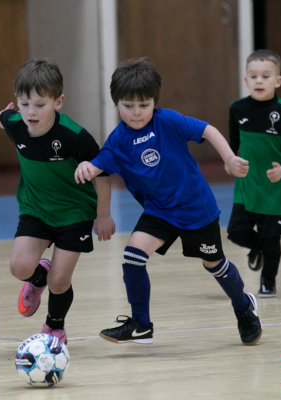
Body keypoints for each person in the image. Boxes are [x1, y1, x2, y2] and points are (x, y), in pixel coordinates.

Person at [74, 57, 262, 346]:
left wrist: (229, 158)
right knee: (133, 255)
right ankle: (141, 324)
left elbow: (208, 130)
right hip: (159, 211)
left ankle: (243, 305)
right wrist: (87, 166)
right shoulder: (118, 140)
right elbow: (100, 166)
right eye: (128, 106)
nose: (136, 112)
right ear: (116, 104)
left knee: (214, 264)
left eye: (144, 105)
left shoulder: (168, 121)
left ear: (154, 102)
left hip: (196, 208)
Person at [0, 59, 115, 344]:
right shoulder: (16, 124)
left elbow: (102, 176)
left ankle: (55, 327)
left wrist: (103, 215)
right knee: (19, 267)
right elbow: (2, 117)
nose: (31, 112)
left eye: (40, 104)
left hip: (75, 213)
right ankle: (38, 279)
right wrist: (5, 114)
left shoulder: (75, 137)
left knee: (60, 281)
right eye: (24, 104)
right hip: (35, 209)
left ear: (58, 102)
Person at [227, 49, 281, 298]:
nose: (259, 81)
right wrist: (230, 161)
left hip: (276, 189)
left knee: (271, 239)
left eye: (265, 76)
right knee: (236, 232)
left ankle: (268, 281)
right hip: (247, 186)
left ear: (277, 81)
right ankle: (258, 249)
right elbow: (232, 143)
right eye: (253, 76)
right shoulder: (237, 109)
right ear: (246, 80)